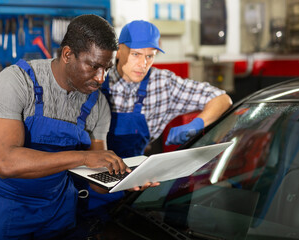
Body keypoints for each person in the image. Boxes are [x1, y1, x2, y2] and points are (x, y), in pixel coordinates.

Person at [0, 15, 156, 240]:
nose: (101, 78)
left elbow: (97, 181)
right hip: (8, 205)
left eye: (106, 68)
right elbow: (6, 163)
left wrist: (125, 182)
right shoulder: (17, 81)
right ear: (67, 54)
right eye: (94, 66)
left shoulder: (97, 103)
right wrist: (83, 158)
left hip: (58, 207)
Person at [84, 20, 233, 210]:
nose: (143, 64)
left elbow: (222, 99)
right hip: (90, 184)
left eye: (150, 56)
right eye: (136, 54)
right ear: (119, 50)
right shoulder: (96, 78)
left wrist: (197, 124)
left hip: (133, 183)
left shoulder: (163, 84)